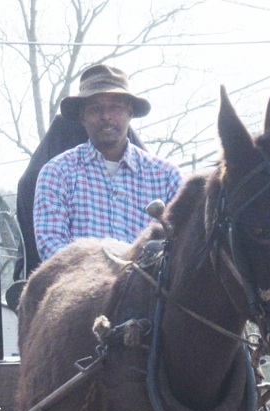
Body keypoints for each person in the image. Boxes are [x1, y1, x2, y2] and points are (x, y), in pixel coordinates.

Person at [32, 64, 184, 263]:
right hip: (82, 289)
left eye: (115, 107)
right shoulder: (57, 173)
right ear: (82, 116)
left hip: (148, 290)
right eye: (95, 109)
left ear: (130, 111)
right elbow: (52, 248)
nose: (106, 116)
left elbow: (182, 248)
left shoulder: (167, 177)